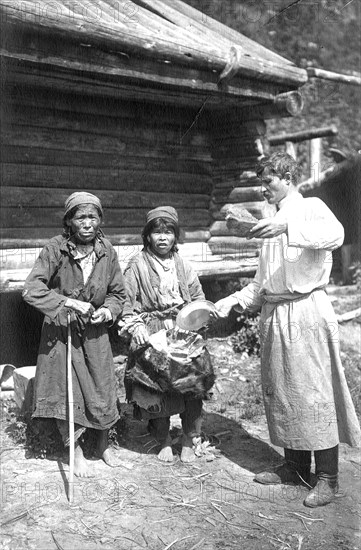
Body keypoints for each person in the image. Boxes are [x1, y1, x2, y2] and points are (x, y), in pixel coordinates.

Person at [215, 152, 360, 507]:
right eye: (261, 182)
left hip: (306, 308)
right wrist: (230, 302)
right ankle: (294, 467)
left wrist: (288, 229)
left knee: (312, 392)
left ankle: (327, 477)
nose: (263, 188)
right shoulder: (271, 220)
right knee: (283, 390)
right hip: (276, 310)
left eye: (268, 181)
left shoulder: (311, 207)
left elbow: (336, 235)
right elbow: (264, 281)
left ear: (288, 177)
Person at [22, 192, 126, 477]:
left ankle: (103, 444)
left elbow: (118, 294)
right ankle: (76, 450)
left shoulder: (107, 250)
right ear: (69, 221)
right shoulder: (56, 249)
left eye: (93, 217)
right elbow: (32, 289)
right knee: (67, 391)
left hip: (94, 331)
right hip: (61, 329)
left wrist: (108, 311)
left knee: (103, 386)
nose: (88, 223)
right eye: (81, 217)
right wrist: (67, 302)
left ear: (100, 220)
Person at [120, 206, 213, 463]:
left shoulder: (182, 265)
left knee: (192, 383)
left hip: (184, 330)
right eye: (156, 232)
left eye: (168, 232)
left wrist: (201, 314)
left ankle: (188, 437)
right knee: (157, 386)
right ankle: (162, 439)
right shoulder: (136, 266)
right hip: (153, 329)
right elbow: (126, 301)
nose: (163, 238)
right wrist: (136, 326)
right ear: (147, 236)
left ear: (175, 236)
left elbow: (197, 297)